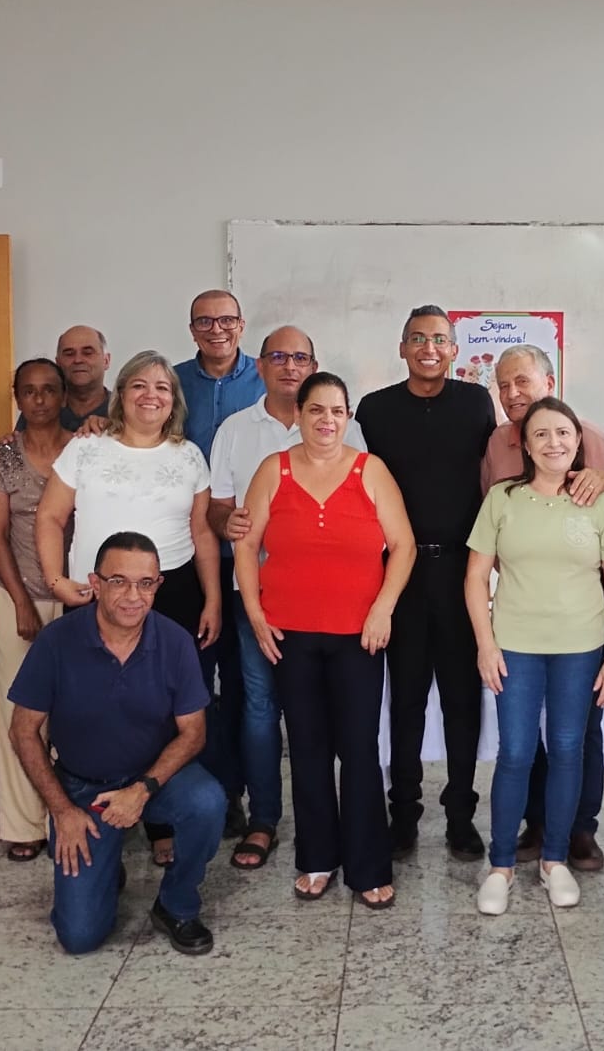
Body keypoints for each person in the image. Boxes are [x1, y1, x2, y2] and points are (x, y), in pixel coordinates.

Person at [235, 372, 416, 908]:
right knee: (308, 748)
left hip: (359, 636)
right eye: (316, 410)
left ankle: (369, 866)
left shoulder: (370, 470)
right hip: (289, 634)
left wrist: (382, 609)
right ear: (299, 415)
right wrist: (256, 614)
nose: (327, 420)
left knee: (359, 750)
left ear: (348, 416)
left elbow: (403, 546)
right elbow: (245, 546)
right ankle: (317, 857)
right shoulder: (273, 470)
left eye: (337, 411)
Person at [37, 349, 221, 865]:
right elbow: (50, 517)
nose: (150, 395)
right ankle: (94, 819)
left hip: (173, 592)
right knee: (90, 706)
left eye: (162, 387)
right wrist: (56, 580)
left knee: (164, 711)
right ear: (120, 394)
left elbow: (202, 532)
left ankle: (159, 819)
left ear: (174, 400)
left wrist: (212, 599)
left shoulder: (189, 456)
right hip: (95, 593)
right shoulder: (86, 446)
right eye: (139, 385)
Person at [8, 531, 227, 956]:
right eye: (119, 581)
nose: (133, 596)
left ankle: (176, 903)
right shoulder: (57, 641)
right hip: (83, 791)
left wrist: (142, 789)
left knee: (207, 802)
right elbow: (23, 731)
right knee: (80, 937)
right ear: (95, 583)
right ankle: (104, 867)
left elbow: (194, 732)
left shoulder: (174, 641)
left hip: (153, 781)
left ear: (158, 585)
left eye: (145, 584)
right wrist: (62, 811)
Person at [467, 397, 604, 915]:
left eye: (563, 432)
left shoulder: (599, 503)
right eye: (541, 434)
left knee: (567, 749)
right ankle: (500, 866)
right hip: (515, 645)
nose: (553, 443)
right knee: (516, 753)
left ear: (578, 440)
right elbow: (475, 576)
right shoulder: (503, 499)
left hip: (581, 646)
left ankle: (554, 859)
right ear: (526, 445)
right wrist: (485, 644)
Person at [207, 326, 366, 870]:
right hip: (257, 595)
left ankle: (340, 824)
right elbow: (218, 508)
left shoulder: (350, 431)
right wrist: (234, 524)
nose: (289, 365)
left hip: (334, 604)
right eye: (278, 356)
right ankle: (265, 819)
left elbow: (364, 503)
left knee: (326, 716)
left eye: (300, 357)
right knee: (259, 705)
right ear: (259, 365)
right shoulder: (234, 430)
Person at [357, 304, 498, 859]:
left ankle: (461, 814)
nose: (429, 348)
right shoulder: (374, 410)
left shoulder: (475, 402)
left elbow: (497, 472)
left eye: (439, 339)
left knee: (463, 700)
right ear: (402, 348)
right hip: (400, 574)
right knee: (407, 700)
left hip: (462, 572)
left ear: (454, 350)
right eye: (417, 338)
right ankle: (404, 814)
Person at [175, 289, 266, 838]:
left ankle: (242, 794)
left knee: (245, 689)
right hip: (190, 558)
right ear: (191, 329)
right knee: (193, 684)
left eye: (226, 320)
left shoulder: (268, 378)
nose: (216, 330)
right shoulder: (172, 382)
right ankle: (206, 791)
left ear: (241, 324)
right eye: (205, 322)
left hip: (257, 562)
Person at [0, 357, 71, 861]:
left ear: (63, 396)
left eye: (49, 389)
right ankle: (23, 824)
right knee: (18, 711)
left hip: (78, 599)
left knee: (73, 712)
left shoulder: (83, 449)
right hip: (21, 598)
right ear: (17, 397)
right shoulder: (3, 455)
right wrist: (20, 602)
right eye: (29, 391)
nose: (39, 399)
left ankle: (67, 814)